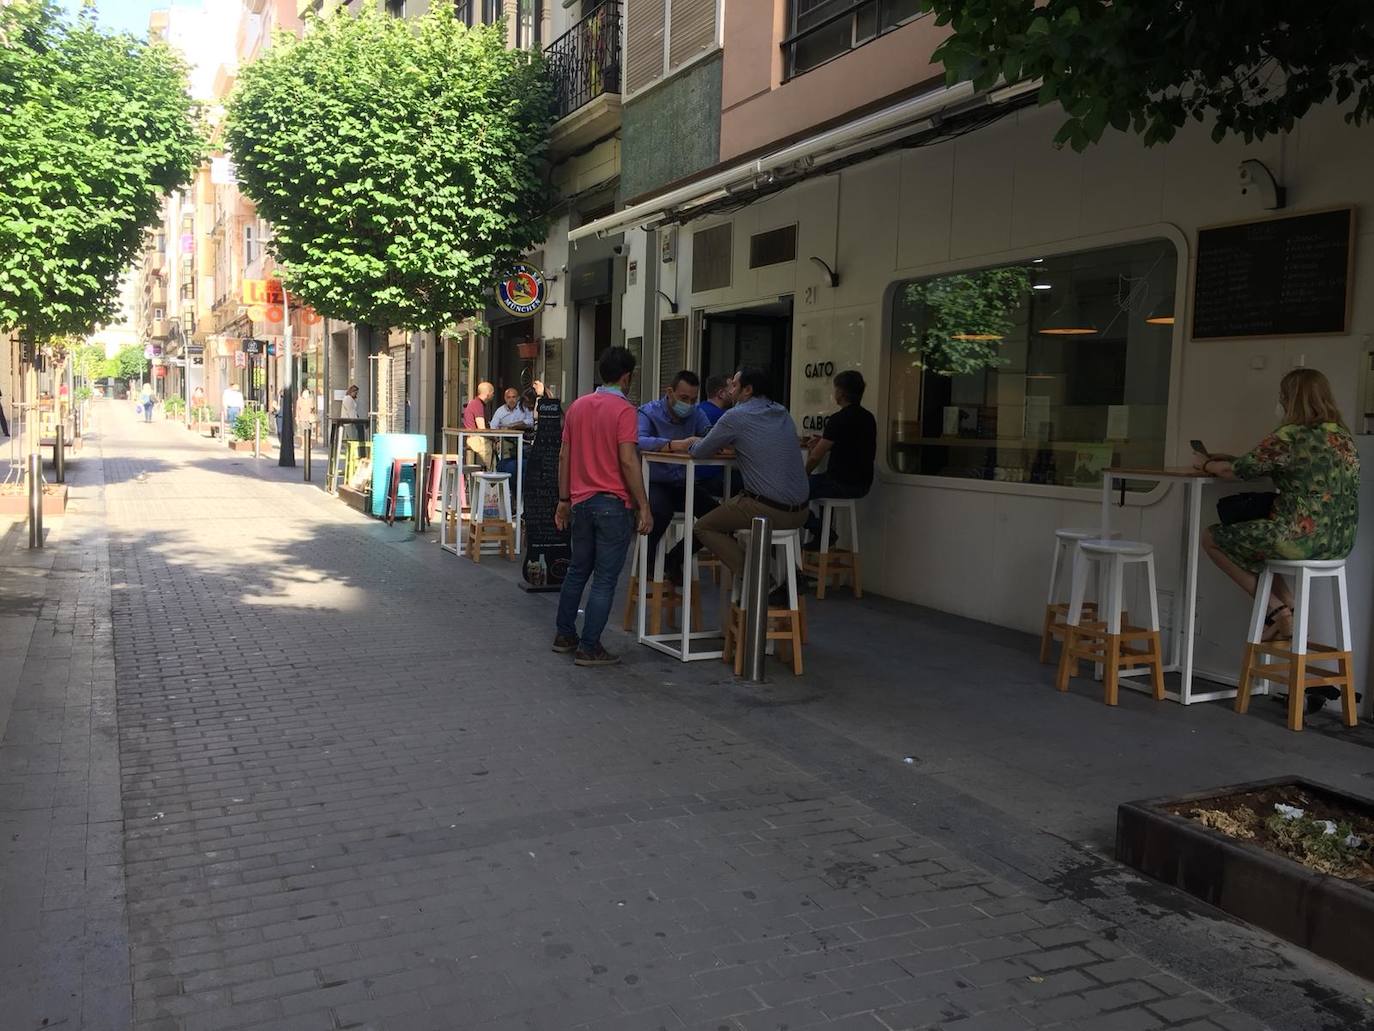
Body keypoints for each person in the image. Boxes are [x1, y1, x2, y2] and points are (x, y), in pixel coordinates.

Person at [1196, 368, 1360, 649]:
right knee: (1260, 545)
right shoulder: (1342, 436)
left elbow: (1231, 471)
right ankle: (1291, 611)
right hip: (1339, 543)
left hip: (1298, 539)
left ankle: (1279, 611)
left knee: (1212, 538)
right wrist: (1236, 459)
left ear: (1290, 399)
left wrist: (1206, 464)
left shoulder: (1289, 436)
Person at [668, 368, 810, 595]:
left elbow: (701, 451)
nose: (730, 390)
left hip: (768, 510)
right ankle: (789, 573)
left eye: (734, 385)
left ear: (748, 390)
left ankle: (762, 581)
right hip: (802, 512)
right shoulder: (781, 412)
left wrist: (691, 442)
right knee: (734, 516)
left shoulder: (736, 415)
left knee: (704, 526)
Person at [552, 347, 652, 666]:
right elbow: (627, 459)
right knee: (605, 579)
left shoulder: (578, 407)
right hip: (612, 504)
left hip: (580, 503)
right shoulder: (625, 411)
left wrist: (563, 499)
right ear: (626, 377)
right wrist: (643, 505)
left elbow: (564, 456)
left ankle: (565, 634)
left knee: (577, 570)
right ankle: (590, 645)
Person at [636, 370, 718, 569]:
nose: (688, 404)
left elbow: (711, 435)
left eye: (693, 399)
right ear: (670, 392)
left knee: (718, 518)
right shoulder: (648, 412)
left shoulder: (696, 413)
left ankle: (674, 560)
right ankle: (645, 568)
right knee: (659, 513)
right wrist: (676, 444)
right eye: (684, 398)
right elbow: (638, 441)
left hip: (684, 482)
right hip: (655, 482)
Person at [803, 369, 876, 547]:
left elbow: (815, 457)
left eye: (835, 389)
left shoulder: (838, 419)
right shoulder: (868, 418)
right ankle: (824, 535)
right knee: (820, 485)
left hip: (840, 482)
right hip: (863, 484)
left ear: (841, 393)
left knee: (793, 492)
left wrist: (802, 476)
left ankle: (821, 530)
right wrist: (825, 441)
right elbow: (851, 444)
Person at [463, 381, 496, 467]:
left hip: (474, 437)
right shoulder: (478, 404)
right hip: (475, 438)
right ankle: (491, 474)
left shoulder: (476, 403)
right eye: (492, 393)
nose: (493, 395)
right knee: (489, 451)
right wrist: (494, 437)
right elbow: (482, 428)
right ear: (488, 393)